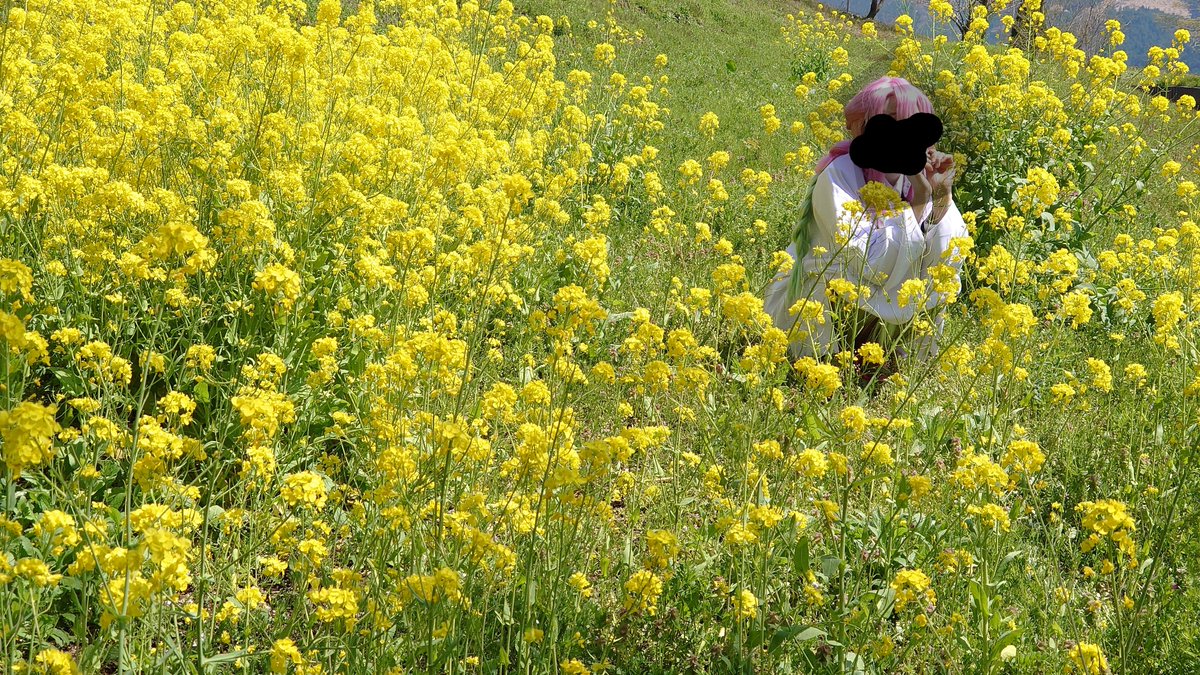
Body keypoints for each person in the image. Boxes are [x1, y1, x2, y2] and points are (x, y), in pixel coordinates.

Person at [764, 76, 970, 364]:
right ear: (861, 127)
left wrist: (939, 195)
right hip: (826, 304)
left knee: (939, 279)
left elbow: (947, 258)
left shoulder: (918, 176)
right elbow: (860, 259)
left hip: (869, 304)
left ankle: (903, 359)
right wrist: (919, 201)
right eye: (889, 122)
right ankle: (822, 361)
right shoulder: (839, 173)